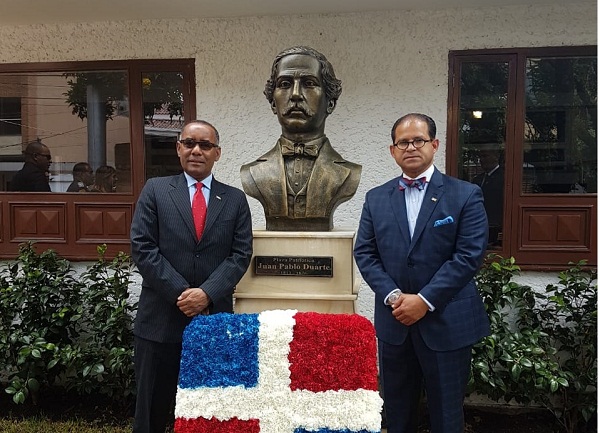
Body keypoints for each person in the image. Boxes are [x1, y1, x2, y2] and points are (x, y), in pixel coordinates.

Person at [353, 113, 490, 433]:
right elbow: (365, 253)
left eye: (419, 140)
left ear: (435, 144)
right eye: (403, 142)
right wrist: (395, 296)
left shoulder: (465, 194)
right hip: (395, 320)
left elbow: (468, 256)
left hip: (446, 322)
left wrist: (425, 300)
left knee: (447, 413)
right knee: (397, 411)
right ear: (393, 150)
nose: (411, 147)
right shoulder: (376, 198)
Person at [130, 120, 253, 433]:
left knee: (210, 413)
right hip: (160, 322)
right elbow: (143, 248)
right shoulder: (155, 191)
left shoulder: (235, 200)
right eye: (189, 143)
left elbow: (239, 256)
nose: (197, 150)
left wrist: (206, 294)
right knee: (153, 413)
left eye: (205, 145)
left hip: (213, 321)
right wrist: (182, 293)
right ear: (178, 148)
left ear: (217, 153)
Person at [240, 46, 361, 231]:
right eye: (285, 84)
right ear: (273, 103)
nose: (295, 94)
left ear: (330, 103)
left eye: (309, 83)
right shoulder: (252, 172)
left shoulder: (349, 173)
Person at [471, 144, 504, 247]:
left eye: (485, 156)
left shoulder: (504, 178)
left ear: (496, 156)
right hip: (478, 222)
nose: (482, 160)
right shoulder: (478, 179)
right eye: (480, 157)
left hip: (496, 223)